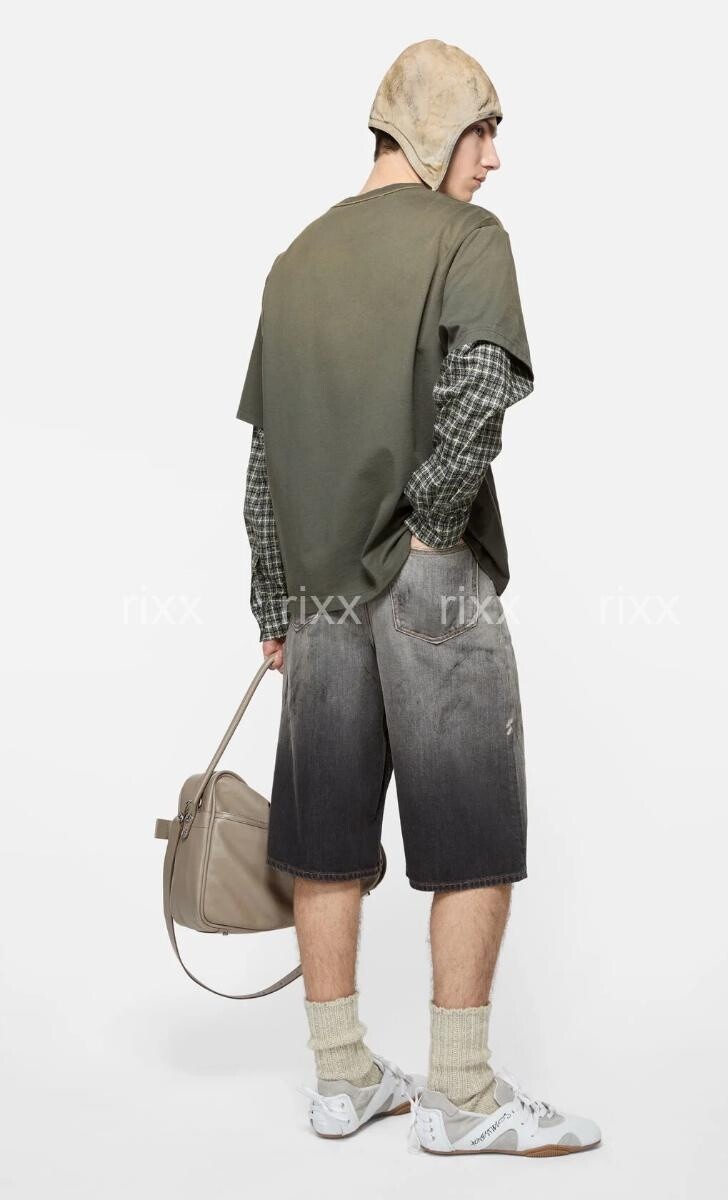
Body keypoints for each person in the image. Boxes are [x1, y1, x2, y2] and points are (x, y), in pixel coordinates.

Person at [236, 38, 602, 1158]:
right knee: (470, 823)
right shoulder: (465, 238)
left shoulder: (295, 260)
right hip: (426, 581)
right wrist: (433, 527)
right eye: (483, 129)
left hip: (318, 590)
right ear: (433, 127)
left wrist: (273, 604)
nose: (492, 159)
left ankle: (341, 1079)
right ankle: (461, 1096)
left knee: (326, 834)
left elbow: (264, 460)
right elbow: (482, 385)